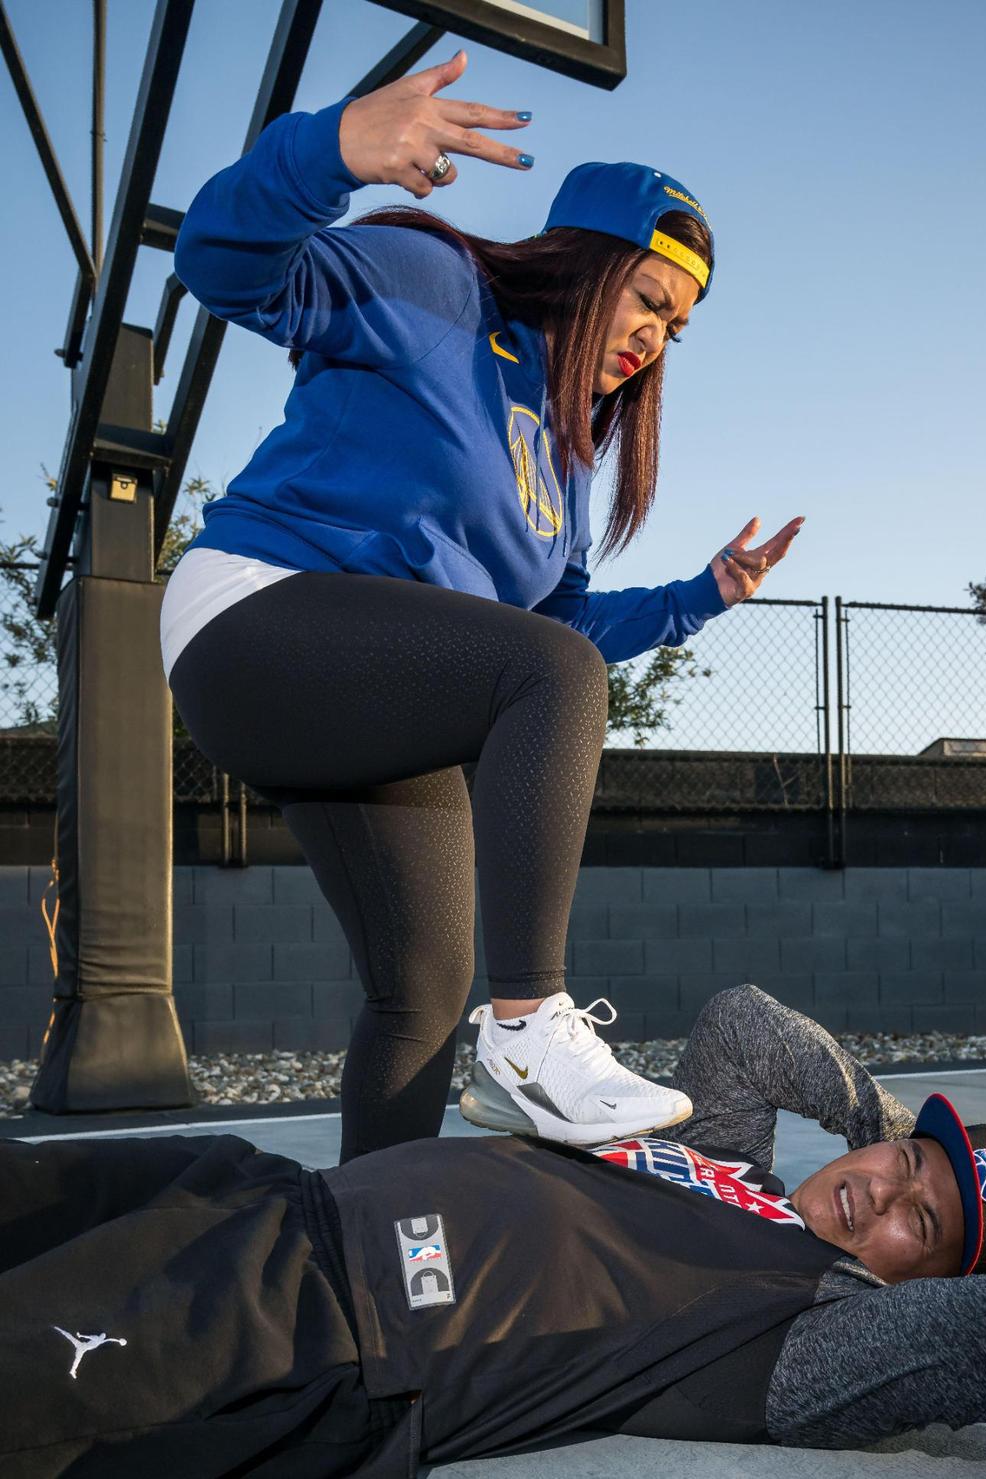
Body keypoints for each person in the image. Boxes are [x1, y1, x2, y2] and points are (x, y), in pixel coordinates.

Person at [162, 47, 804, 1164]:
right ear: (583, 264)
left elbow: (564, 638)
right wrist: (326, 153)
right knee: (545, 682)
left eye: (678, 328)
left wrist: (702, 597)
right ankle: (529, 1036)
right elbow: (222, 263)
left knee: (419, 990)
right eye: (649, 297)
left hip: (382, 689)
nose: (656, 336)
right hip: (255, 613)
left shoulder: (564, 466)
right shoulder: (434, 287)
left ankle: (368, 1251)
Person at [0, 987, 986, 1477]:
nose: (880, 1191)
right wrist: (886, 1124)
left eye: (921, 1220)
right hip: (270, 1198)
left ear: (928, 1296)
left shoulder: (808, 1337)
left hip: (308, 1335)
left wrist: (961, 1244)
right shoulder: (734, 1168)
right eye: (902, 1166)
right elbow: (742, 1023)